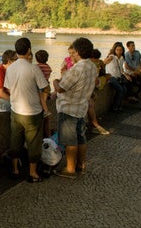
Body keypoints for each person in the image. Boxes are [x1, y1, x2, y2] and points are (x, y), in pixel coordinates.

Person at [4, 37, 49, 182]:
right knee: (33, 142)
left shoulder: (10, 68)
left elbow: (9, 88)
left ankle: (15, 170)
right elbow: (45, 87)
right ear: (29, 50)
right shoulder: (33, 68)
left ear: (16, 51)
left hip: (16, 110)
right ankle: (32, 173)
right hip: (32, 111)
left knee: (15, 140)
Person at [52, 37, 98, 178]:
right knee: (81, 138)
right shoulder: (92, 66)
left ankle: (70, 169)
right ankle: (81, 165)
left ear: (77, 52)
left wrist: (54, 82)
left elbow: (61, 88)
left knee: (70, 140)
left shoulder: (76, 69)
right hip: (81, 108)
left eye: (73, 52)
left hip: (69, 109)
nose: (72, 55)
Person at [88, 49, 110, 135]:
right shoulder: (93, 64)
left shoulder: (94, 64)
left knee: (91, 102)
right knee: (90, 103)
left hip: (89, 89)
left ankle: (94, 124)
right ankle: (95, 124)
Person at [103, 42, 128, 112]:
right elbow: (102, 63)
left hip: (118, 77)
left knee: (124, 90)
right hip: (111, 77)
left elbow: (121, 70)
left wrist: (126, 75)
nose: (119, 51)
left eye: (120, 50)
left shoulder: (122, 58)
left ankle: (119, 106)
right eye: (117, 50)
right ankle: (115, 107)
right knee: (120, 89)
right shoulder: (111, 57)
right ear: (115, 50)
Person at [35, 49, 53, 138]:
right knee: (44, 98)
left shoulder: (36, 67)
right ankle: (45, 110)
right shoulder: (48, 67)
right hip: (47, 85)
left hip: (40, 86)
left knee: (42, 100)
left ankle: (46, 111)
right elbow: (48, 75)